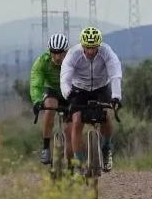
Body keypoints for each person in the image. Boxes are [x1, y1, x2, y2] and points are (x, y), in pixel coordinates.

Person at [60, 26, 122, 173]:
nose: (90, 51)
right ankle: (79, 161)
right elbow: (65, 78)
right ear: (82, 45)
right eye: (87, 47)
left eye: (94, 47)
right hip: (79, 89)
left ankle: (106, 149)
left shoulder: (107, 52)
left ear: (99, 45)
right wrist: (68, 94)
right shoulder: (73, 54)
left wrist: (116, 96)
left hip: (101, 87)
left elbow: (115, 75)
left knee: (106, 116)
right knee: (77, 120)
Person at [29, 33, 72, 165]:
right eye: (54, 52)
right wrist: (37, 101)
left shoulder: (73, 60)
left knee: (70, 129)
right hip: (52, 90)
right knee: (50, 107)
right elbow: (36, 83)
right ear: (49, 51)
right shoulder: (42, 61)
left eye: (61, 53)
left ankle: (73, 161)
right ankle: (46, 147)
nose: (57, 57)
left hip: (69, 91)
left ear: (66, 52)